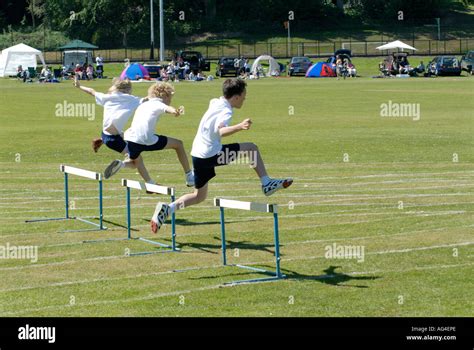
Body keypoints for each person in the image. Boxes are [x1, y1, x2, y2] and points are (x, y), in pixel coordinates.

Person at [150, 78, 293, 233]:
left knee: (199, 196)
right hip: (211, 155)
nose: (244, 99)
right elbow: (221, 131)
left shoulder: (215, 102)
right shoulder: (226, 111)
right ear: (236, 97)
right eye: (243, 96)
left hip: (198, 155)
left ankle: (168, 209)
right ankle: (266, 183)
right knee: (251, 148)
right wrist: (240, 126)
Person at [104, 82, 194, 188]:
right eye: (170, 97)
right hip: (145, 139)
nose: (170, 100)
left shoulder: (143, 103)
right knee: (178, 144)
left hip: (130, 138)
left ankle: (121, 164)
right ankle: (189, 177)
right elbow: (167, 108)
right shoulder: (159, 103)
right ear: (165, 95)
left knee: (135, 163)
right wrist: (175, 111)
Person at [74, 77, 154, 184]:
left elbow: (92, 91)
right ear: (127, 89)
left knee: (128, 134)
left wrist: (79, 86)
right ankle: (149, 182)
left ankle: (101, 141)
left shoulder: (107, 97)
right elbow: (147, 99)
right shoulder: (131, 99)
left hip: (107, 134)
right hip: (114, 140)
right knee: (137, 161)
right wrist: (159, 92)